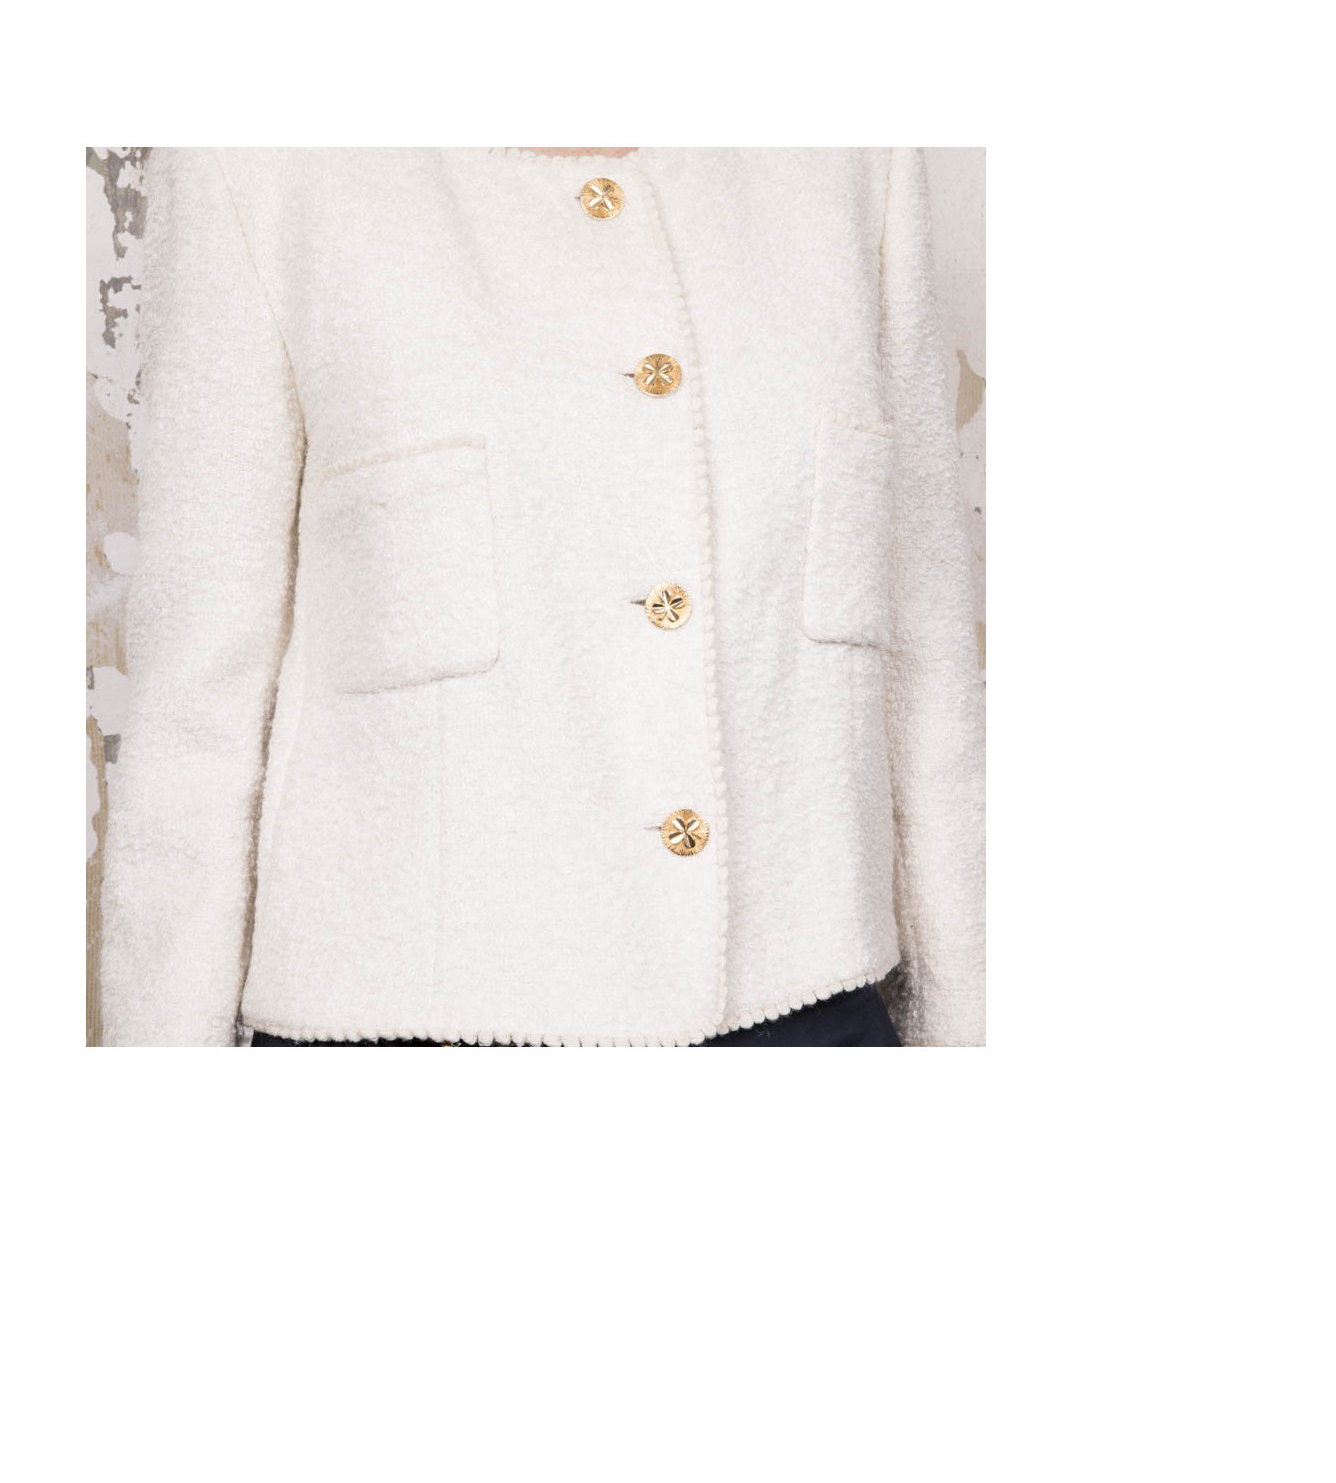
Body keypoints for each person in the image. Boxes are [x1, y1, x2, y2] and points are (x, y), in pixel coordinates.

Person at [100, 148, 984, 1048]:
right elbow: (198, 710)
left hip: (807, 1013)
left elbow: (931, 670)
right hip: (406, 1032)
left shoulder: (852, 159)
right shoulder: (259, 166)